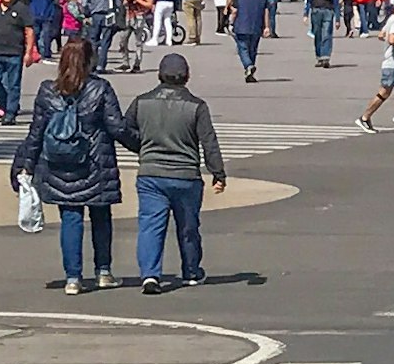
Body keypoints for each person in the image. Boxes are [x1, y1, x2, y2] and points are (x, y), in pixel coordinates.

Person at [16, 33, 131, 292]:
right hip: (96, 160)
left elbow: (36, 132)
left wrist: (27, 165)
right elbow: (116, 127)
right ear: (89, 59)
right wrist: (141, 144)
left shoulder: (48, 90)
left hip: (59, 164)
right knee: (101, 216)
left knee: (71, 217)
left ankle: (73, 278)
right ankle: (103, 271)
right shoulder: (100, 88)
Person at [124, 51, 232, 294]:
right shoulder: (196, 106)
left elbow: (124, 129)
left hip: (151, 173)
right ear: (187, 76)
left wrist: (140, 147)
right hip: (185, 175)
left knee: (151, 225)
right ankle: (191, 271)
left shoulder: (142, 102)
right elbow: (208, 142)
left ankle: (150, 274)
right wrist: (218, 172)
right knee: (188, 226)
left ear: (159, 75)